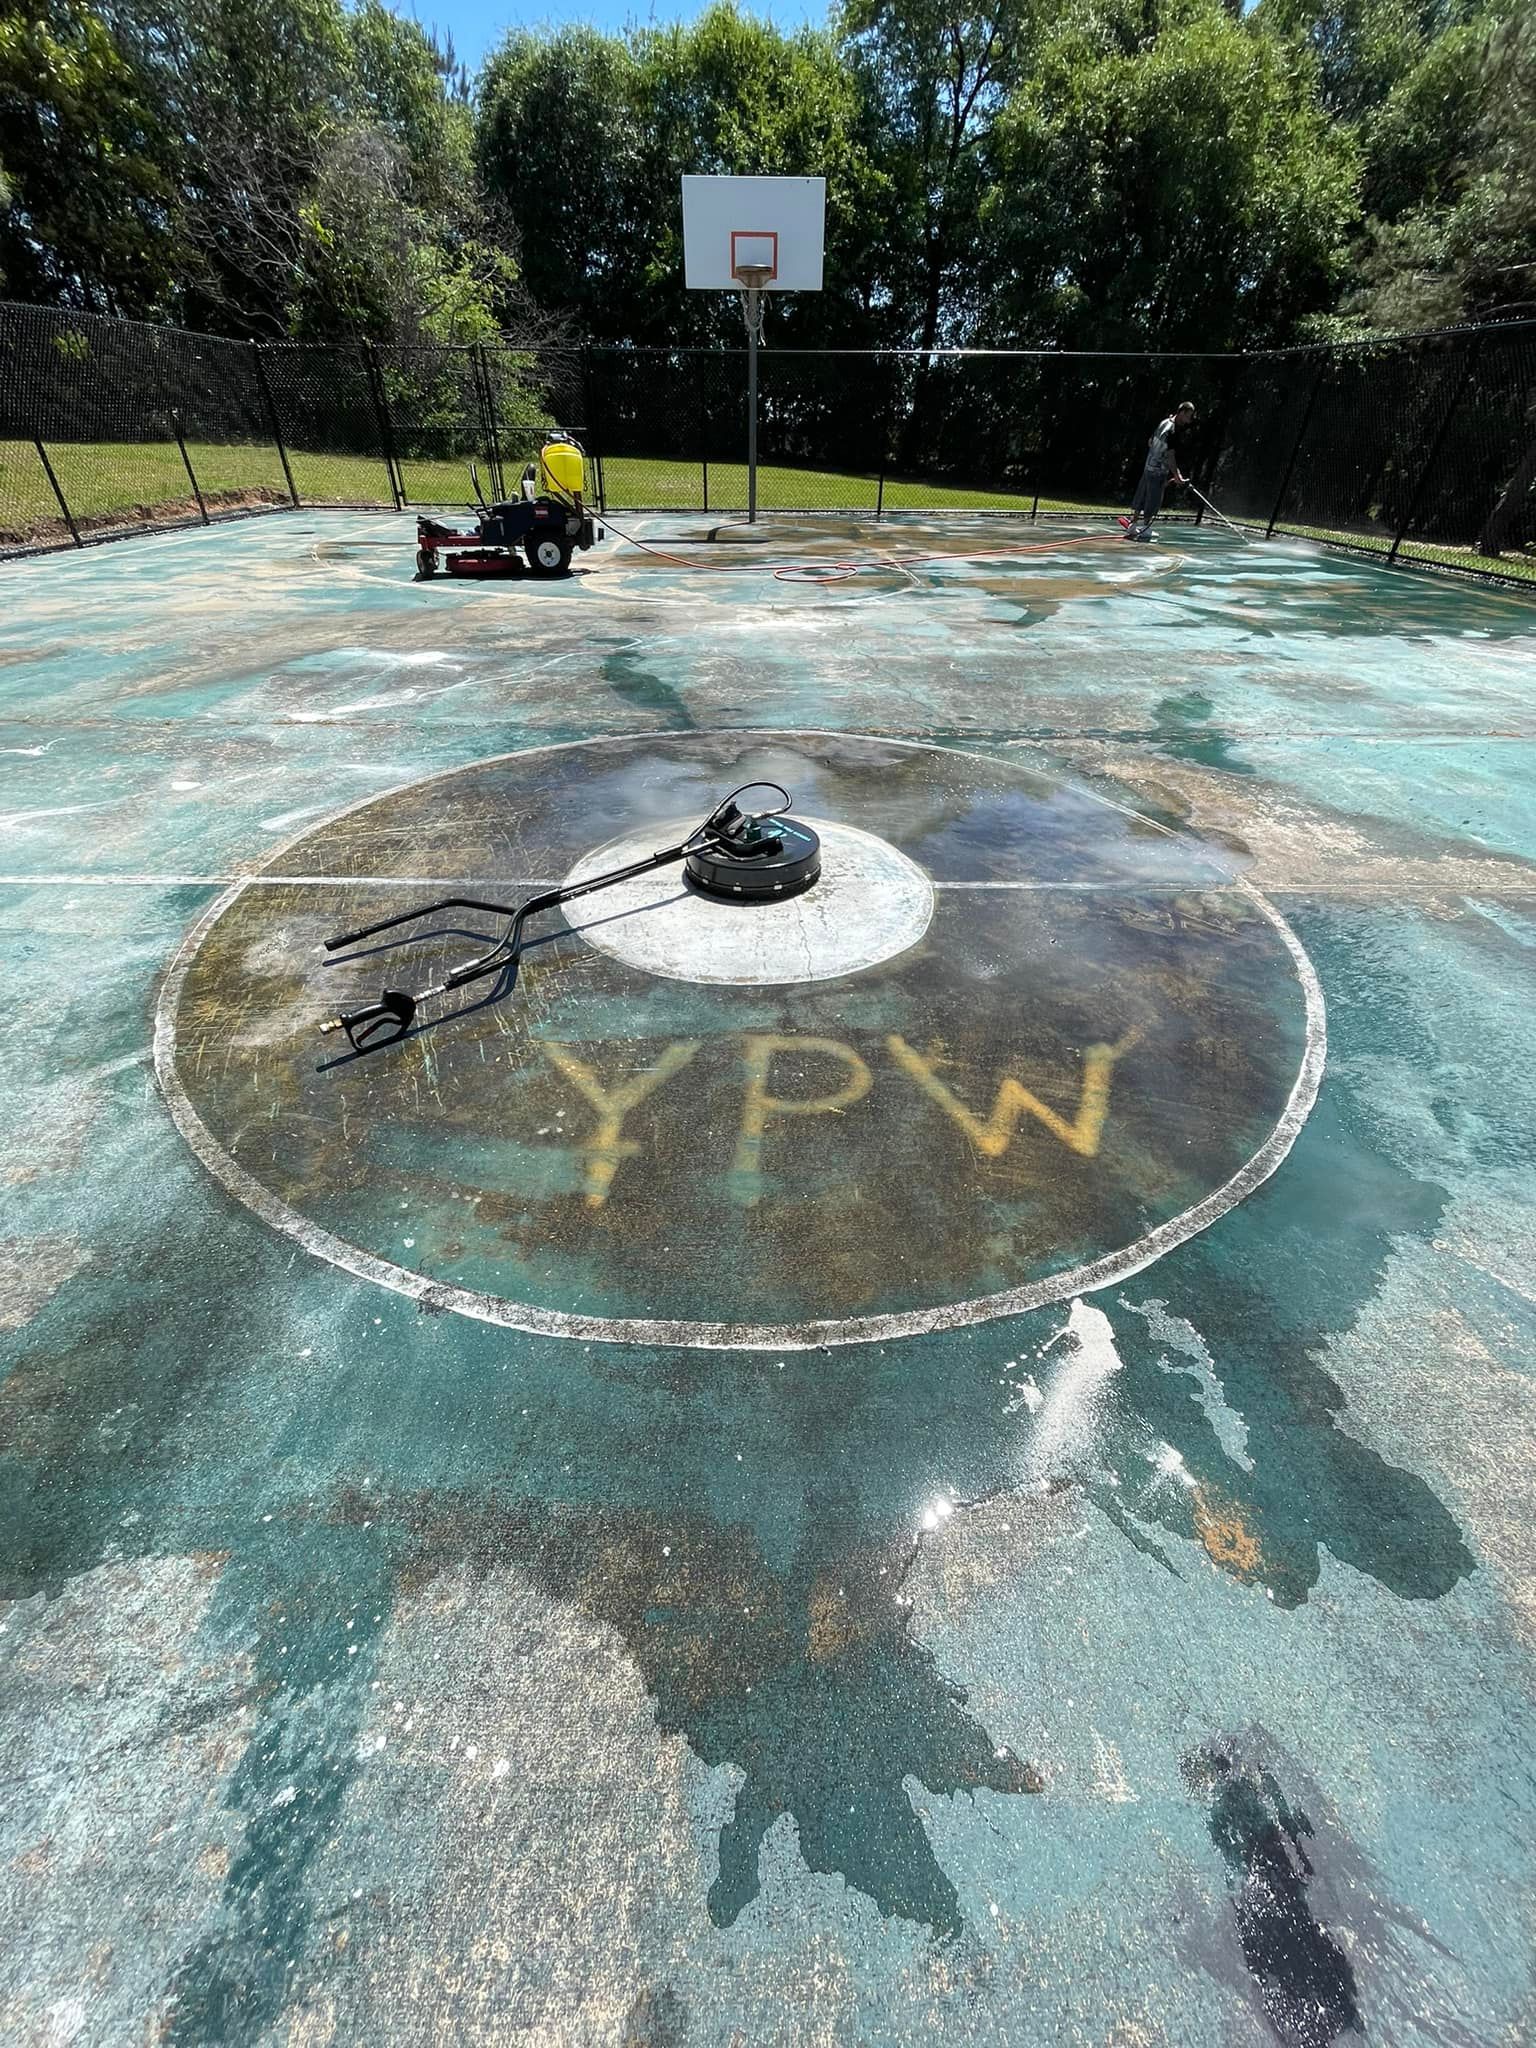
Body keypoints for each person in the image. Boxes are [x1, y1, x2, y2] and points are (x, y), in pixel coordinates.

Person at [1124, 401, 1195, 540]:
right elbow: (1170, 455)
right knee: (1153, 500)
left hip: (1148, 466)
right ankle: (1145, 529)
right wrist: (1177, 475)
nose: (1189, 420)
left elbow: (1150, 441)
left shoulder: (1164, 422)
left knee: (1142, 495)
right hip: (1158, 471)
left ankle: (1133, 525)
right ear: (1182, 413)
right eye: (1188, 416)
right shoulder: (1172, 431)